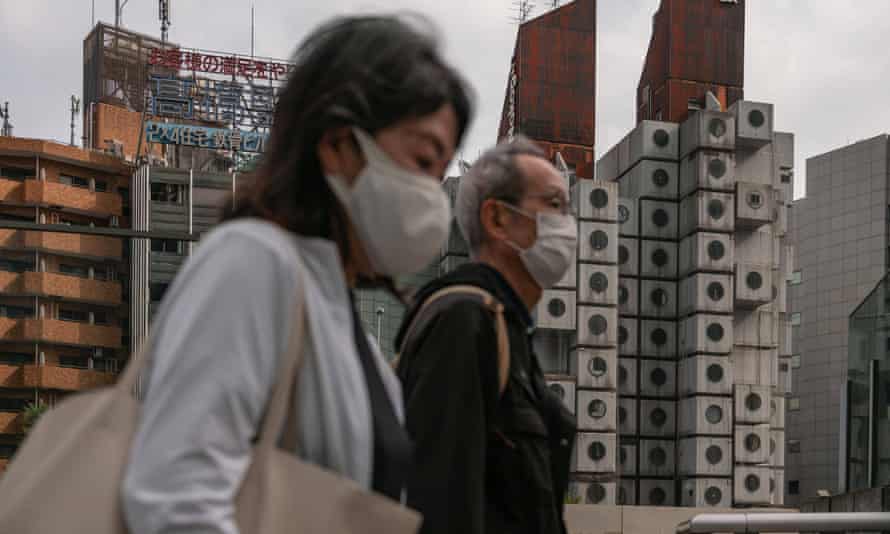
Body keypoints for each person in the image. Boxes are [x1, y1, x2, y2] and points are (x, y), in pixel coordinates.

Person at [121, 14, 473, 534]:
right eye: (422, 159)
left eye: (440, 172)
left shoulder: (346, 326)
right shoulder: (253, 263)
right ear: (336, 144)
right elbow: (175, 497)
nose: (432, 193)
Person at [395, 136, 578, 534]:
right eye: (552, 205)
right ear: (496, 219)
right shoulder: (463, 321)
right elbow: (440, 505)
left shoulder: (509, 330)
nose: (566, 225)